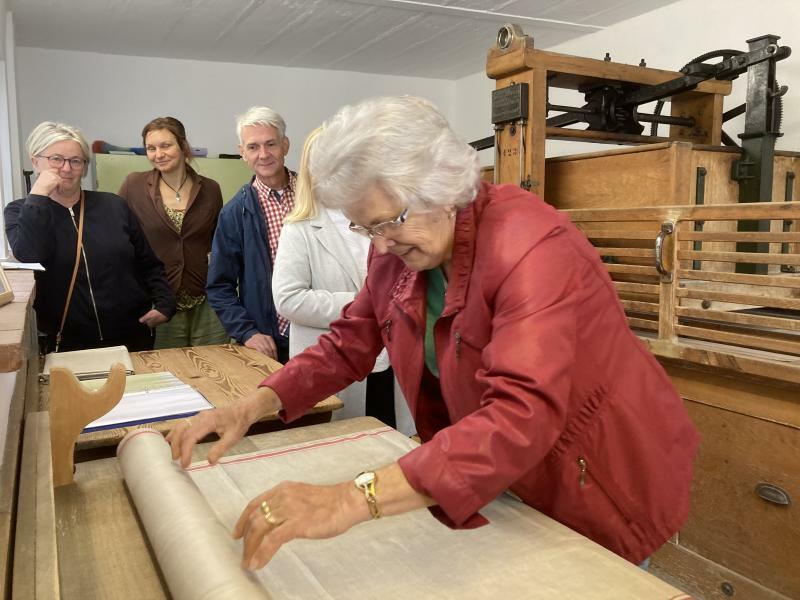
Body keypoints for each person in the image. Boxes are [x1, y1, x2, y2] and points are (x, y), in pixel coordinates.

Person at [169, 96, 699, 572]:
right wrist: (253, 404)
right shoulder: (401, 248)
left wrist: (350, 500)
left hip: (597, 475)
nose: (380, 243)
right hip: (506, 470)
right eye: (365, 227)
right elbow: (349, 341)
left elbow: (521, 412)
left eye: (387, 222)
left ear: (443, 187)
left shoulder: (533, 246)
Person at [272, 128, 411, 430]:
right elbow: (288, 299)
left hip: (392, 358)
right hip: (334, 361)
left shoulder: (383, 217)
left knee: (396, 444)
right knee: (345, 451)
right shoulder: (300, 227)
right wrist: (365, 304)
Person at [5, 121, 175, 352]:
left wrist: (165, 304)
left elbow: (148, 262)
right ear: (35, 161)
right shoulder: (20, 211)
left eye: (76, 161)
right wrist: (38, 196)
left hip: (132, 336)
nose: (66, 168)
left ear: (84, 167)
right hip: (66, 342)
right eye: (56, 159)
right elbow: (29, 255)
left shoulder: (113, 205)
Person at [118, 117, 228, 349]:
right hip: (160, 303)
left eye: (166, 145)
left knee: (214, 368)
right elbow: (119, 241)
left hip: (205, 300)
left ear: (183, 146)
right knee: (169, 373)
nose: (159, 154)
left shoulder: (210, 189)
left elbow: (219, 241)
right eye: (151, 148)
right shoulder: (133, 185)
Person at [206, 106, 294, 363]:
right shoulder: (234, 212)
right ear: (242, 153)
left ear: (285, 145)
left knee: (328, 403)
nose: (264, 154)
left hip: (320, 334)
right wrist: (247, 332)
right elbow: (219, 287)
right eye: (253, 147)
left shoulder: (315, 198)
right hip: (270, 343)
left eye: (271, 144)